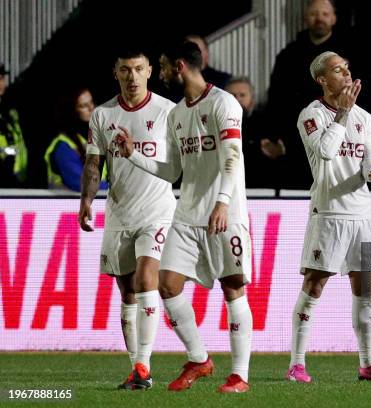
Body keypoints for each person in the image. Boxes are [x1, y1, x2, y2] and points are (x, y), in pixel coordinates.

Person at [115, 41, 253, 394]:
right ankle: (199, 358)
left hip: (226, 212)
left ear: (179, 66)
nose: (158, 74)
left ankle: (239, 375)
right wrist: (133, 156)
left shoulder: (224, 103)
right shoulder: (176, 115)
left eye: (161, 67)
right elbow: (174, 168)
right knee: (167, 285)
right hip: (189, 214)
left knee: (233, 287)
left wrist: (222, 202)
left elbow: (232, 156)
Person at [285, 51, 371, 384]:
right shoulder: (311, 115)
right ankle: (296, 364)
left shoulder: (366, 118)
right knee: (314, 284)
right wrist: (343, 114)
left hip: (362, 214)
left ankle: (368, 363)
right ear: (322, 79)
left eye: (348, 68)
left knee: (365, 288)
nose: (347, 74)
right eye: (338, 70)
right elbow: (324, 152)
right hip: (329, 214)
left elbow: (368, 168)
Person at [79, 48, 176, 390]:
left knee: (146, 279)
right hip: (119, 213)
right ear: (115, 72)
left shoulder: (168, 112)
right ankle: (137, 370)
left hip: (158, 213)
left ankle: (144, 365)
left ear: (149, 70)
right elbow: (94, 164)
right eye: (125, 70)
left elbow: (184, 163)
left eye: (138, 69)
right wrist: (87, 199)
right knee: (127, 291)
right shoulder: (103, 115)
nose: (132, 77)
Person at [266, 0, 352, 189]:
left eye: (325, 14)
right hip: (295, 141)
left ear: (334, 18)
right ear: (305, 18)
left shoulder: (348, 52)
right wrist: (275, 136)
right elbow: (276, 99)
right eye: (314, 14)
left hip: (338, 135)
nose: (319, 18)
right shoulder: (288, 55)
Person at [226, 76, 286, 189]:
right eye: (233, 96)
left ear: (252, 100)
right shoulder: (215, 125)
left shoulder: (267, 123)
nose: (237, 99)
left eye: (242, 95)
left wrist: (277, 151)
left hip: (259, 187)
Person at [46, 87, 108, 191]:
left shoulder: (91, 140)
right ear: (72, 111)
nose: (91, 108)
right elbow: (81, 183)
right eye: (83, 106)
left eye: (91, 102)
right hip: (66, 205)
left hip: (97, 204)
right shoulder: (63, 146)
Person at [0, 62, 28, 187]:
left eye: (2, 79)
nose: (3, 84)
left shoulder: (10, 112)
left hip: (16, 179)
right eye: (0, 79)